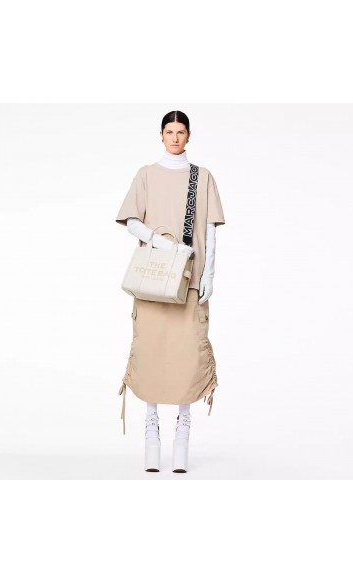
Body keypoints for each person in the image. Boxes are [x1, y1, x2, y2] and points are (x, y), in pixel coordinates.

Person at [115, 110, 226, 472]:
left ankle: (183, 428)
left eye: (180, 132)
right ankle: (151, 429)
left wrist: (209, 273)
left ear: (189, 135)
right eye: (169, 131)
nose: (175, 137)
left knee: (185, 354)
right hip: (153, 278)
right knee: (151, 351)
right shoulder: (146, 174)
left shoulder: (201, 177)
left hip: (188, 279)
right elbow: (132, 222)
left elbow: (210, 229)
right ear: (160, 135)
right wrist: (163, 244)